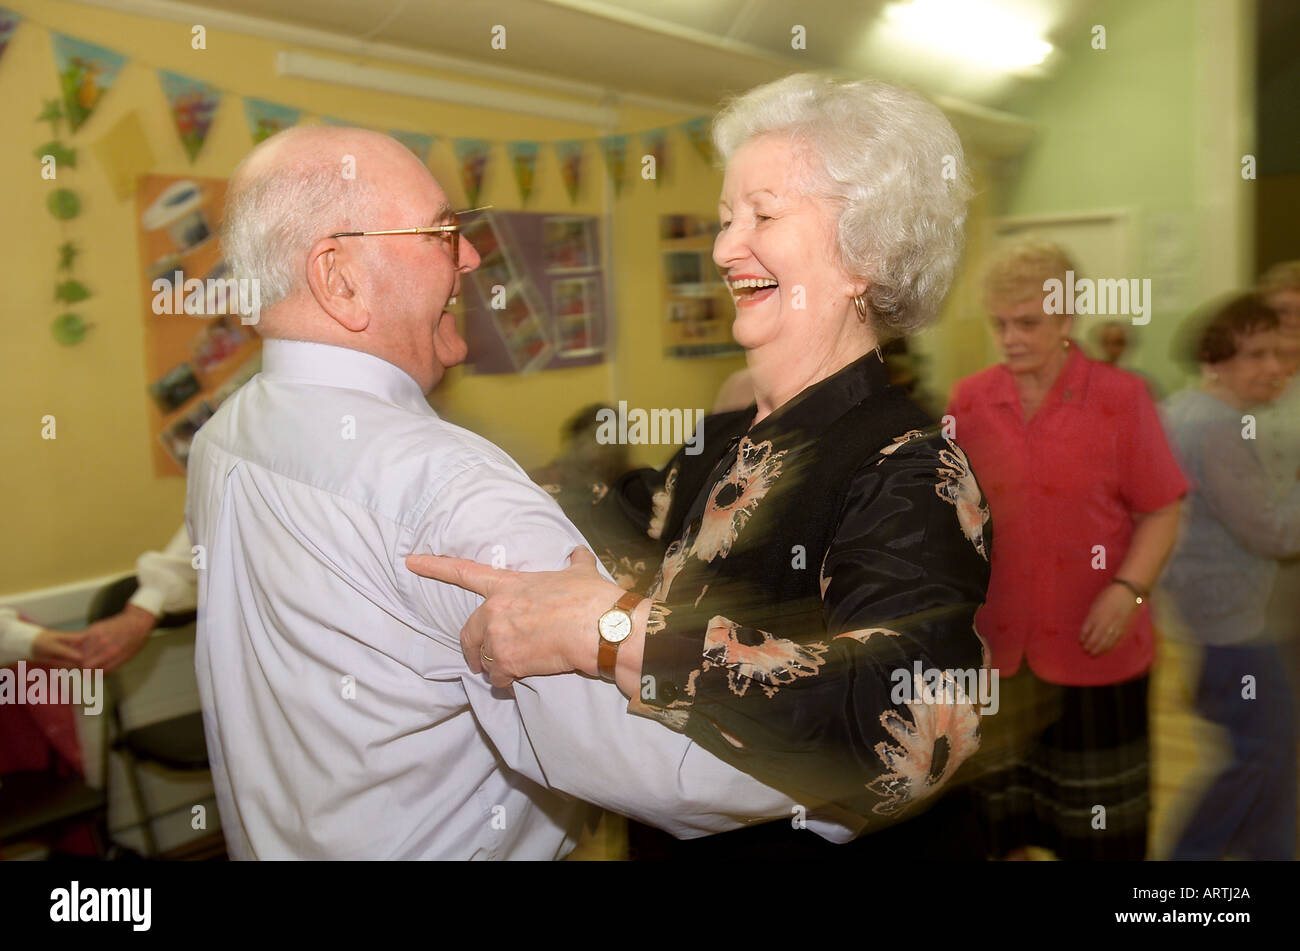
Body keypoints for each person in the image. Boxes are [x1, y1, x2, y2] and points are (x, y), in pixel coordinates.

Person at [189, 124, 852, 860]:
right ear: (338, 276)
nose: (471, 257)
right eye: (442, 232)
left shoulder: (227, 433)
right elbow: (659, 758)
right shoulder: (447, 486)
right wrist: (856, 758)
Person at [408, 73, 994, 857]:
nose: (723, 249)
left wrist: (611, 632)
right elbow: (629, 522)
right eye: (724, 218)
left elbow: (911, 727)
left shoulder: (908, 464)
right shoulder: (724, 436)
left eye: (763, 215)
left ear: (869, 252)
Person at [945, 240, 1187, 861]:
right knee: (996, 826)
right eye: (999, 323)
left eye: (1027, 322)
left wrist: (1127, 590)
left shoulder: (1121, 398)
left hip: (1095, 645)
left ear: (1066, 317)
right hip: (997, 650)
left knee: (1102, 834)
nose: (1010, 337)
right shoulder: (969, 400)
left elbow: (1162, 507)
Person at [1160, 293, 1299, 859]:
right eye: (1256, 356)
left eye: (1280, 353)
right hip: (1232, 626)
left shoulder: (1188, 410)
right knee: (1260, 754)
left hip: (1211, 619)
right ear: (1216, 361)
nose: (1276, 367)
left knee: (1271, 752)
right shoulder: (1216, 426)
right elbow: (1271, 533)